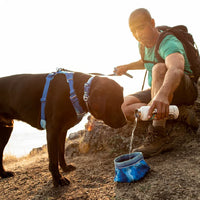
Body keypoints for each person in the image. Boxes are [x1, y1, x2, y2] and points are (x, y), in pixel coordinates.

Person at [114, 8, 198, 158]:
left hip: (183, 88)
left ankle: (158, 134)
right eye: (133, 31)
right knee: (124, 105)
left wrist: (163, 95)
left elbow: (176, 68)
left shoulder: (168, 42)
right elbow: (145, 61)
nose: (138, 34)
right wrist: (127, 67)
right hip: (158, 89)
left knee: (159, 68)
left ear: (152, 23)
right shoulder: (143, 44)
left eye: (141, 27)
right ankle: (179, 113)